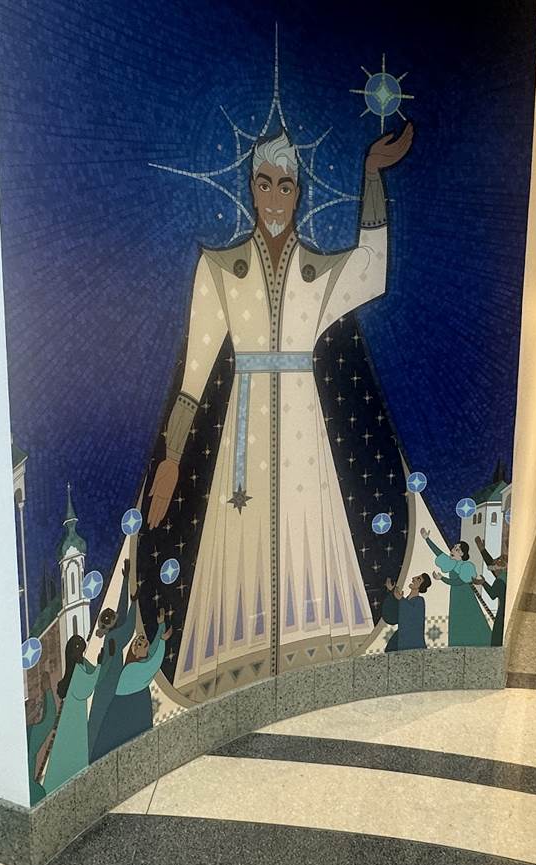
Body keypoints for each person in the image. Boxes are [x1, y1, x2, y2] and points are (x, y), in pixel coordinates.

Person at [140, 124, 415, 697]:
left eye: (285, 186)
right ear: (250, 188)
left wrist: (371, 177)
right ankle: (233, 663)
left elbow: (371, 269)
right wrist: (170, 458)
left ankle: (311, 643)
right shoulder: (219, 269)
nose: (273, 198)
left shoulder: (316, 273)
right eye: (263, 184)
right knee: (238, 542)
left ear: (298, 194)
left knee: (307, 528)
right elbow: (194, 376)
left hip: (303, 434)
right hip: (243, 441)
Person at [88, 608, 172, 759]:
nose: (143, 643)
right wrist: (161, 639)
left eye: (142, 641)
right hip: (127, 705)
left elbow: (152, 652)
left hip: (135, 702)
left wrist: (161, 627)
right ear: (135, 653)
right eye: (138, 644)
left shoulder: (139, 662)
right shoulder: (132, 669)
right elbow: (153, 663)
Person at [88, 559, 140, 760]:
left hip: (107, 684)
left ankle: (92, 752)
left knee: (98, 717)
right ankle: (92, 752)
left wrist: (127, 586)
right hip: (108, 683)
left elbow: (123, 615)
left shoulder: (113, 637)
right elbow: (126, 617)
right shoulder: (114, 636)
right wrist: (133, 600)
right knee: (100, 717)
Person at [40, 634, 99, 793]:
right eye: (79, 650)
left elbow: (91, 670)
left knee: (75, 743)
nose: (81, 654)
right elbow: (86, 688)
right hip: (73, 713)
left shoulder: (79, 665)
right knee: (73, 742)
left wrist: (99, 665)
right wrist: (101, 666)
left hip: (76, 713)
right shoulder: (76, 670)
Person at [421, 527, 491, 646]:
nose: (452, 550)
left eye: (457, 549)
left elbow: (458, 582)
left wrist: (442, 578)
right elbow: (439, 553)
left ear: (462, 554)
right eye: (454, 547)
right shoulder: (452, 563)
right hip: (456, 596)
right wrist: (427, 539)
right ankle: (457, 643)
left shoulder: (466, 566)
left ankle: (480, 641)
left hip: (465, 596)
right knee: (457, 619)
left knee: (469, 617)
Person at [474, 535, 508, 646]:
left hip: (503, 612)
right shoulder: (505, 576)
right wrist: (482, 550)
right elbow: (490, 564)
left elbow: (492, 594)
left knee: (497, 636)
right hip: (506, 609)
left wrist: (483, 582)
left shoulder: (500, 580)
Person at [381, 573, 430, 652]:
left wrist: (401, 599)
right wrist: (393, 592)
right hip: (402, 634)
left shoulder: (419, 600)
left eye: (418, 579)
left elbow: (412, 615)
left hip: (412, 638)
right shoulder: (405, 600)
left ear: (421, 586)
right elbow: (394, 616)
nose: (413, 578)